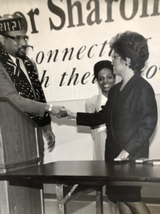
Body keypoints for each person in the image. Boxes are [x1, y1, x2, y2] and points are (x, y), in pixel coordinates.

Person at [62, 31, 157, 214]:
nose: (111, 60)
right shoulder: (115, 91)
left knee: (133, 199)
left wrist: (127, 151)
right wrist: (73, 115)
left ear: (127, 60)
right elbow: (101, 116)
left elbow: (148, 125)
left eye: (114, 56)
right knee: (119, 197)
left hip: (131, 157)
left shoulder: (143, 88)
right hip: (113, 156)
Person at [0, 13, 64, 156]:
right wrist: (49, 108)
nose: (23, 43)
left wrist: (46, 128)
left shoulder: (28, 63)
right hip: (11, 139)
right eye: (17, 38)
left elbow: (38, 94)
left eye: (24, 37)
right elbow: (12, 99)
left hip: (33, 136)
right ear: (2, 39)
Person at [85, 60, 115, 160]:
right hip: (101, 149)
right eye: (101, 79)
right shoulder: (91, 103)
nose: (105, 81)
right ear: (97, 81)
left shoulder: (123, 100)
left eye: (109, 77)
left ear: (115, 78)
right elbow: (94, 135)